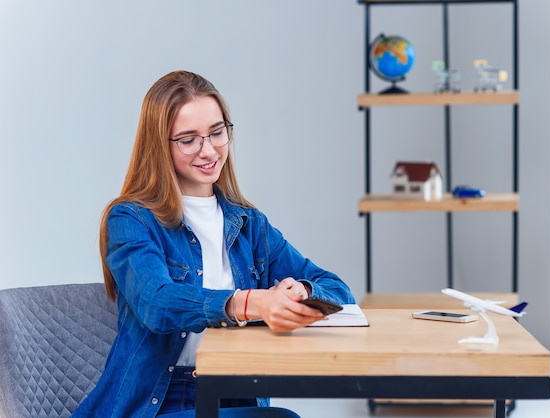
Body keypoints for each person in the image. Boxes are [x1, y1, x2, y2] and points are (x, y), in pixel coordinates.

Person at [72, 70, 355, 418]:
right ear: (160, 145)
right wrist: (249, 302)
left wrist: (300, 291)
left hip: (232, 393)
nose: (208, 150)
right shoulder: (131, 220)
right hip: (155, 404)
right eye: (188, 139)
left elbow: (338, 290)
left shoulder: (249, 225)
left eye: (217, 133)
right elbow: (157, 302)